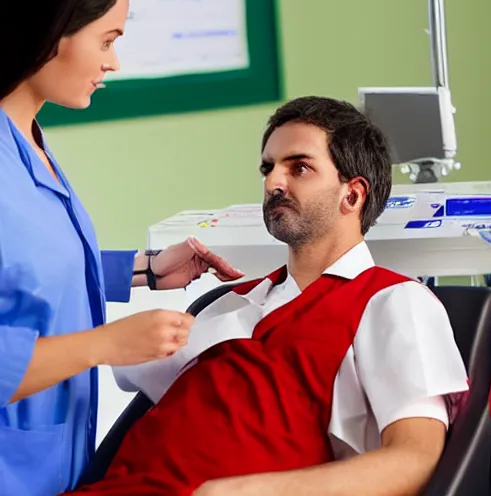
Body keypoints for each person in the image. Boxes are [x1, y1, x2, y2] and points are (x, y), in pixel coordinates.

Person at [69, 96, 469, 496]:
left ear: (352, 195)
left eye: (299, 167)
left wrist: (238, 492)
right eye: (268, 168)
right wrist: (142, 275)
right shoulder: (226, 304)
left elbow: (413, 460)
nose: (273, 182)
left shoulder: (394, 301)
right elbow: (111, 360)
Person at [0, 0, 243, 495]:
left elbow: (27, 263)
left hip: (54, 462)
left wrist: (144, 269)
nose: (114, 63)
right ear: (52, 31)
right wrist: (106, 345)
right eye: (107, 40)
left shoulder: (27, 138)